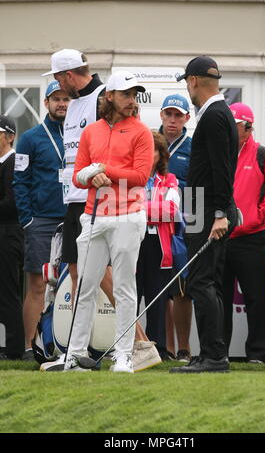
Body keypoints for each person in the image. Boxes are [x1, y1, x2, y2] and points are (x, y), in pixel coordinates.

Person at [64, 70, 154, 373]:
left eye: (135, 95)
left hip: (128, 216)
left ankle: (123, 355)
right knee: (85, 286)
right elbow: (77, 174)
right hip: (92, 217)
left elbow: (141, 176)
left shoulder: (141, 131)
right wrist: (92, 173)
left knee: (124, 288)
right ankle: (74, 355)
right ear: (110, 96)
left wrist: (105, 169)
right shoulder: (92, 131)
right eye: (126, 94)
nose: (132, 100)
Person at [170, 55, 238, 374]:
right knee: (205, 282)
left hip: (208, 208)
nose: (187, 88)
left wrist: (222, 212)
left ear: (194, 81)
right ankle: (212, 352)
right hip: (201, 206)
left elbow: (222, 170)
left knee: (201, 282)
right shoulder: (216, 113)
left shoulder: (213, 115)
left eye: (187, 82)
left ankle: (214, 356)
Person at [42, 49, 106, 302]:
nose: (58, 85)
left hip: (96, 201)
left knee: (102, 274)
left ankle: (139, 339)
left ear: (69, 75)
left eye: (58, 79)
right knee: (76, 272)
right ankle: (82, 338)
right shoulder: (74, 103)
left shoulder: (103, 98)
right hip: (72, 199)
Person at [222, 102, 265, 363]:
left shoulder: (264, 154)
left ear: (248, 127)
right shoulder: (220, 152)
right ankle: (218, 352)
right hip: (221, 236)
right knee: (220, 299)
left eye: (236, 126)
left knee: (256, 298)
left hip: (251, 238)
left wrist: (255, 218)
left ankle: (258, 353)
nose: (232, 131)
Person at [13, 81, 70, 360]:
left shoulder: (79, 135)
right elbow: (19, 181)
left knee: (72, 284)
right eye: (56, 99)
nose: (62, 103)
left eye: (66, 98)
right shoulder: (30, 138)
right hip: (41, 221)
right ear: (46, 103)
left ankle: (65, 345)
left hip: (72, 218)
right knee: (38, 285)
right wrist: (27, 220)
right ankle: (28, 347)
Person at [136, 131, 180, 361]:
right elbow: (124, 207)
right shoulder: (131, 177)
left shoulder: (170, 179)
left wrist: (141, 210)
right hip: (133, 243)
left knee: (158, 300)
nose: (147, 154)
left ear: (161, 154)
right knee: (131, 297)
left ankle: (160, 349)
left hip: (158, 246)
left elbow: (172, 210)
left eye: (153, 149)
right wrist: (153, 209)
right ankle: (129, 347)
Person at [159, 94, 193, 363]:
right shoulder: (148, 142)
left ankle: (183, 347)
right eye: (168, 114)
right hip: (153, 222)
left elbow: (197, 189)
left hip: (182, 225)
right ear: (161, 115)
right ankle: (164, 347)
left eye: (178, 115)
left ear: (186, 118)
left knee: (182, 289)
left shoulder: (193, 147)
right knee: (159, 288)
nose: (172, 120)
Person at [0, 115, 24, 360]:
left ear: (9, 136)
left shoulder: (14, 162)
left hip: (9, 234)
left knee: (8, 291)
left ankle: (15, 348)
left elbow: (12, 203)